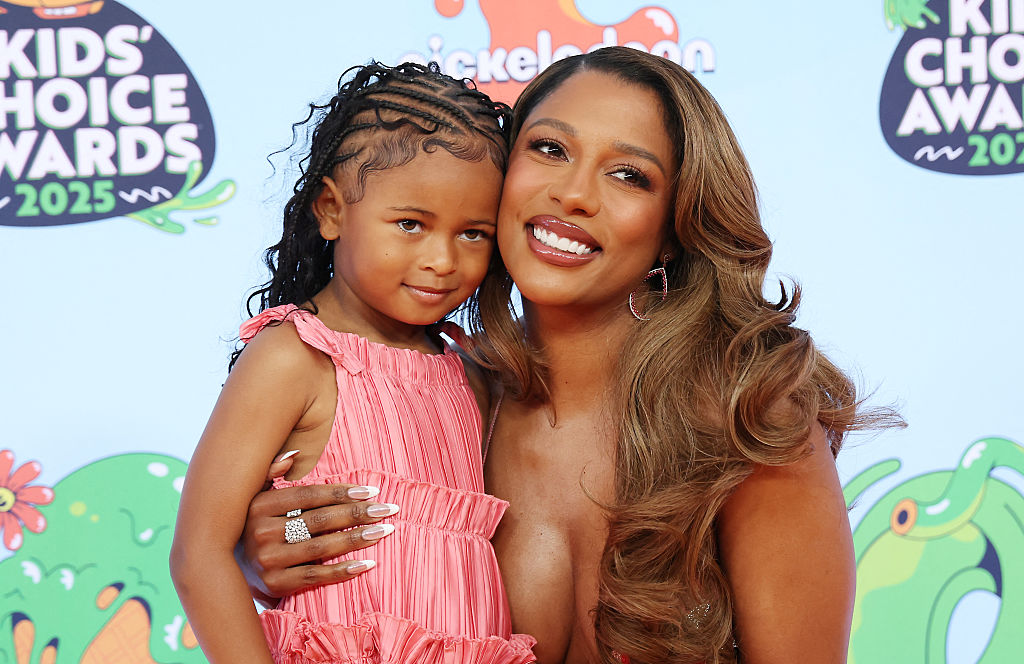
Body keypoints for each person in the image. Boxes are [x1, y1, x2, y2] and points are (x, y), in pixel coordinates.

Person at [237, 47, 899, 664]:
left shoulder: (744, 417)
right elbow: (332, 576)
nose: (575, 193)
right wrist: (267, 550)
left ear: (674, 229)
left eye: (629, 175)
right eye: (550, 149)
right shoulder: (448, 400)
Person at [169, 62, 537, 664]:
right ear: (331, 210)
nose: (443, 260)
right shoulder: (295, 357)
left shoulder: (472, 375)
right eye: (411, 224)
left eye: (474, 233)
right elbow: (199, 554)